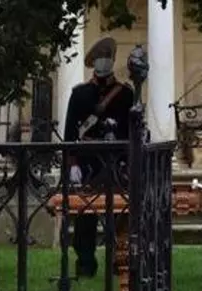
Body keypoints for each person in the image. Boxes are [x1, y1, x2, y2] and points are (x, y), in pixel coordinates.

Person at [63, 37, 134, 277]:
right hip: (88, 162)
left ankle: (119, 259)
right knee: (86, 214)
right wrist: (72, 163)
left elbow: (131, 130)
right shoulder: (80, 94)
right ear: (93, 62)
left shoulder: (125, 94)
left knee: (121, 213)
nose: (104, 61)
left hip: (117, 161)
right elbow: (70, 131)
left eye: (107, 57)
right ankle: (85, 262)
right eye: (100, 58)